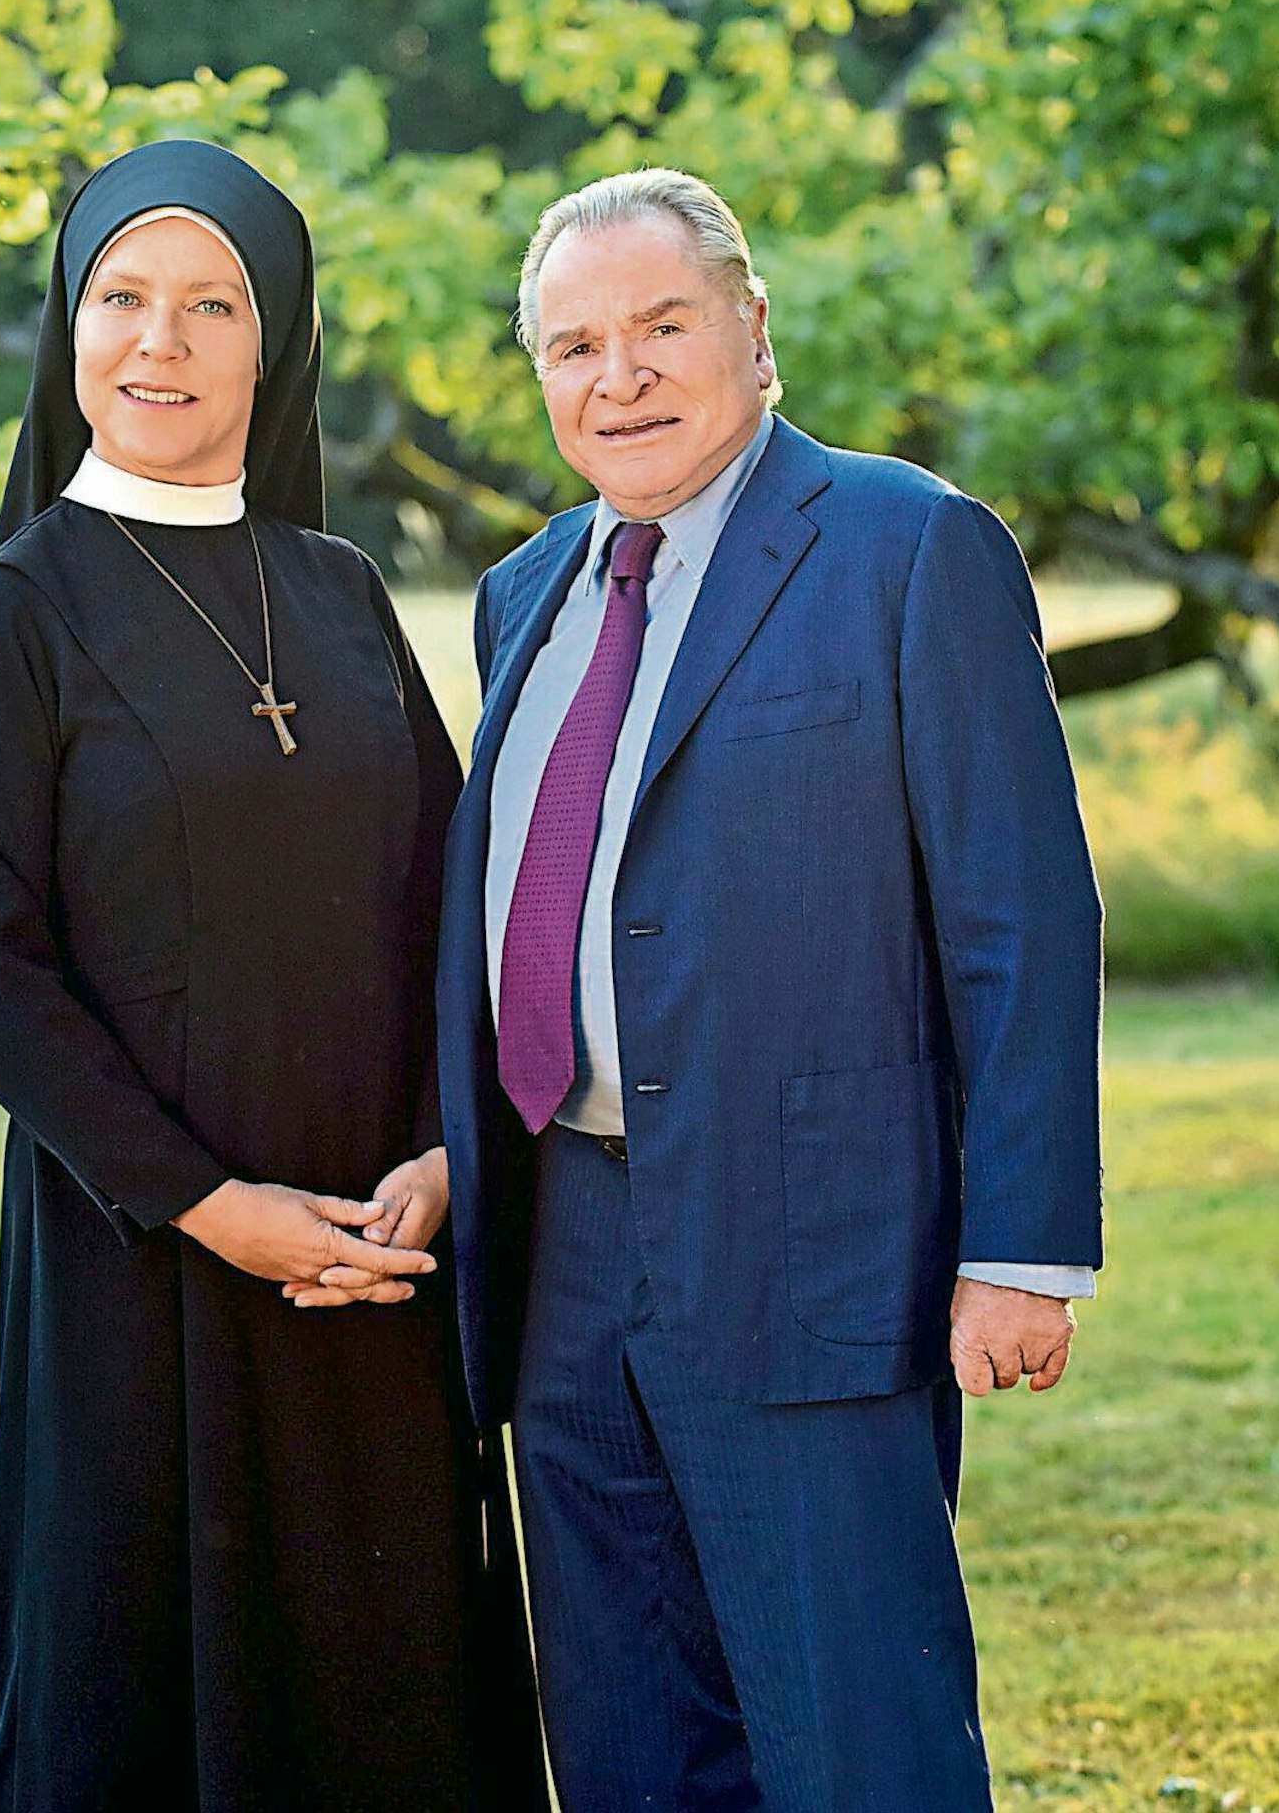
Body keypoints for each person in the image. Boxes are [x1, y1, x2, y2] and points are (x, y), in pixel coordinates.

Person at [432, 169, 1106, 1810]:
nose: (622, 375)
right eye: (576, 345)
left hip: (815, 1243)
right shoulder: (523, 596)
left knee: (858, 1741)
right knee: (628, 1748)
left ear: (753, 329)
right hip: (565, 1255)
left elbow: (1021, 921)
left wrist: (1022, 1250)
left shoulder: (910, 548)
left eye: (663, 326)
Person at [0, 139, 544, 1813]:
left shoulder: (338, 596)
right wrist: (202, 1202)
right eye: (120, 298)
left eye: (210, 305)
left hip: (375, 1242)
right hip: (144, 1260)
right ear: (69, 329)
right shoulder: (9, 620)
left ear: (281, 345)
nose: (159, 345)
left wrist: (436, 1156)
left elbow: (450, 903)